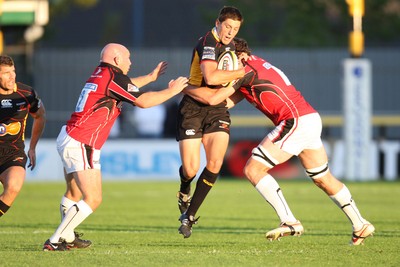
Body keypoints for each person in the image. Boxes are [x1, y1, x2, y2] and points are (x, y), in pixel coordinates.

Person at [187, 37, 375, 245]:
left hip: (294, 121)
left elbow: (214, 99)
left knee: (253, 169)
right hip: (309, 119)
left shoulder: (244, 70)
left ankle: (289, 221)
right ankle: (360, 224)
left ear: (236, 56)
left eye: (224, 58)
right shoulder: (251, 67)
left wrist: (183, 88)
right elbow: (224, 102)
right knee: (323, 178)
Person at [43, 43, 188, 251]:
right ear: (117, 59)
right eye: (128, 58)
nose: (130, 62)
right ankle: (55, 240)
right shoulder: (113, 76)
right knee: (93, 198)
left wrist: (149, 78)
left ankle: (67, 236)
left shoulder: (101, 73)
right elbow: (144, 101)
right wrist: (172, 90)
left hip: (69, 135)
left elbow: (126, 86)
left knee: (73, 192)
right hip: (82, 141)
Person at [176, 6, 245, 238]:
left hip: (216, 108)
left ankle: (190, 216)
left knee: (215, 162)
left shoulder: (232, 46)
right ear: (218, 23)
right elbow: (211, 77)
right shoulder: (207, 42)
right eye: (227, 26)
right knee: (191, 169)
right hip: (193, 108)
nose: (230, 32)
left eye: (235, 29)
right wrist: (239, 73)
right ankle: (184, 188)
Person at [0, 55, 46, 217]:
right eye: (6, 73)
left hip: (12, 153)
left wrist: (32, 147)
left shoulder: (26, 93)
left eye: (13, 71)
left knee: (13, 186)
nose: (12, 76)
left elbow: (40, 116)